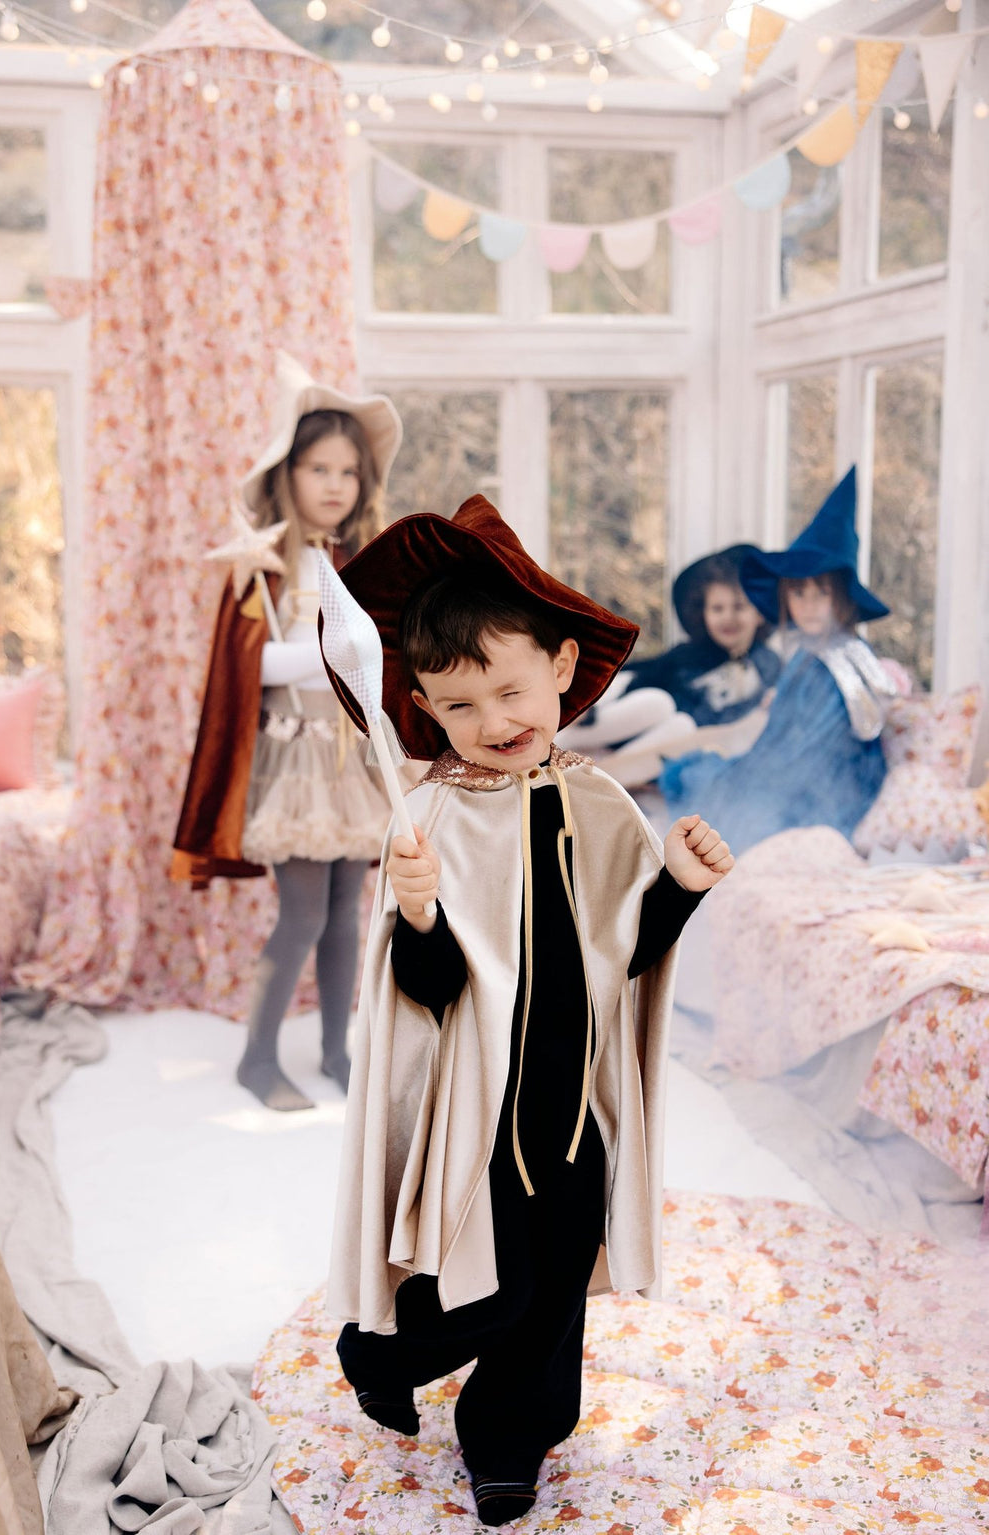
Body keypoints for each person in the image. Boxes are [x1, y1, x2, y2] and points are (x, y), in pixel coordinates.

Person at [322, 494, 733, 1527]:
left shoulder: (599, 804)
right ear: (422, 706)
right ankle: (382, 1347)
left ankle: (510, 1439)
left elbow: (626, 957)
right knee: (484, 1281)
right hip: (479, 1107)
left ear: (559, 666)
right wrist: (416, 912)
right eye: (459, 706)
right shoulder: (429, 820)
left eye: (511, 687)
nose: (494, 720)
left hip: (573, 1101)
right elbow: (422, 995)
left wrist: (675, 883)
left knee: (551, 1295)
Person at [172, 352, 402, 1110]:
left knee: (346, 913)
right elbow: (249, 664)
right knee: (302, 911)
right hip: (293, 754)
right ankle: (258, 1059)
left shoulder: (356, 561)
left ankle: (339, 1050)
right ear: (288, 472)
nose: (336, 484)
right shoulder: (265, 565)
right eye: (319, 468)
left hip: (347, 756)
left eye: (349, 471)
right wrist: (325, 653)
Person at [659, 467, 896, 855]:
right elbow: (781, 737)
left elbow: (814, 749)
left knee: (718, 792)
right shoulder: (807, 655)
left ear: (843, 598)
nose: (809, 605)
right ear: (785, 598)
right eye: (798, 593)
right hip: (787, 770)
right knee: (700, 772)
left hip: (828, 788)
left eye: (821, 593)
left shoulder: (841, 661)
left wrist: (755, 777)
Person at [558, 544, 781, 786]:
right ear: (703, 613)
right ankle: (561, 741)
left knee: (683, 726)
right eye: (718, 609)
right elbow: (643, 677)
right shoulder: (689, 654)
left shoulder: (768, 665)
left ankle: (601, 781)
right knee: (659, 703)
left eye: (739, 607)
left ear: (759, 612)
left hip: (671, 745)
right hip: (626, 723)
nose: (728, 617)